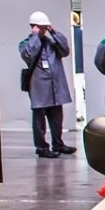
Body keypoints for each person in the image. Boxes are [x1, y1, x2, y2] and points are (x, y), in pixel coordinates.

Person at [18, 10, 75, 159]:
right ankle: (42, 147)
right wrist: (35, 36)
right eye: (40, 27)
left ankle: (58, 143)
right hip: (39, 88)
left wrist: (54, 32)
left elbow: (65, 50)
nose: (43, 30)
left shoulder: (51, 43)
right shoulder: (25, 44)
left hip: (55, 87)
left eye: (45, 27)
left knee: (57, 118)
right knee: (39, 121)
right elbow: (29, 55)